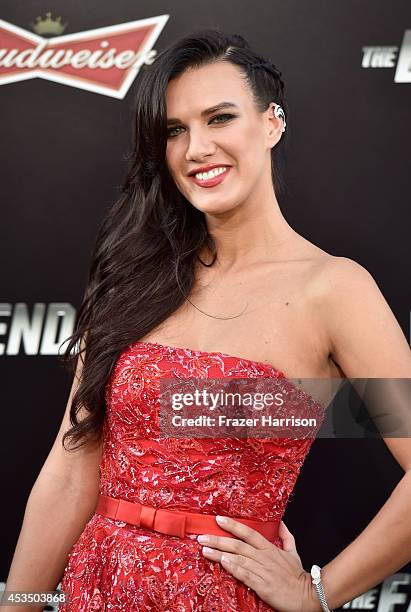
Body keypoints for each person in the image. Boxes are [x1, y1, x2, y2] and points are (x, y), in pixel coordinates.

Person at [4, 28, 411, 612]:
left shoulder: (333, 289)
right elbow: (71, 471)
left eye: (220, 118)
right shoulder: (135, 279)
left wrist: (319, 592)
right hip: (94, 591)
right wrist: (17, 603)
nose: (196, 149)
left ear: (272, 123)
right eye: (175, 130)